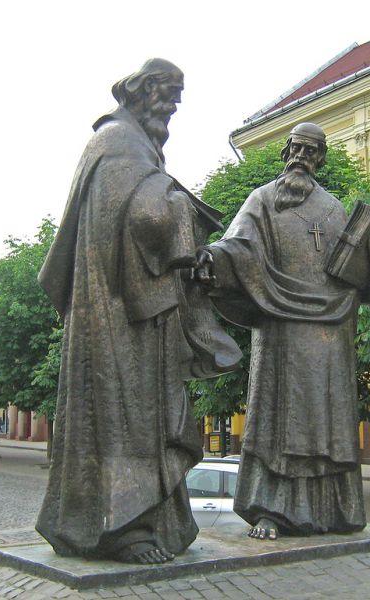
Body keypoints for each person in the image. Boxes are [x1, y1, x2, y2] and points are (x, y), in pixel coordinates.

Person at [36, 58, 240, 564]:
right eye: (169, 94)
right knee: (124, 410)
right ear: (145, 89)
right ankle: (123, 530)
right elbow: (137, 218)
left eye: (178, 97)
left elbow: (143, 211)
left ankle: (153, 524)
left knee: (147, 410)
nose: (173, 106)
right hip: (117, 312)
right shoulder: (116, 143)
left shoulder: (134, 145)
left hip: (137, 306)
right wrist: (178, 207)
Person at [195, 123, 370, 541]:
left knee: (328, 422)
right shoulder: (263, 200)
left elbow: (358, 280)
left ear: (321, 158)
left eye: (311, 150)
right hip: (281, 323)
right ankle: (270, 511)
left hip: (332, 330)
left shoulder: (334, 209)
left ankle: (334, 511)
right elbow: (237, 248)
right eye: (296, 148)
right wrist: (211, 259)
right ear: (286, 152)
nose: (302, 156)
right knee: (279, 419)